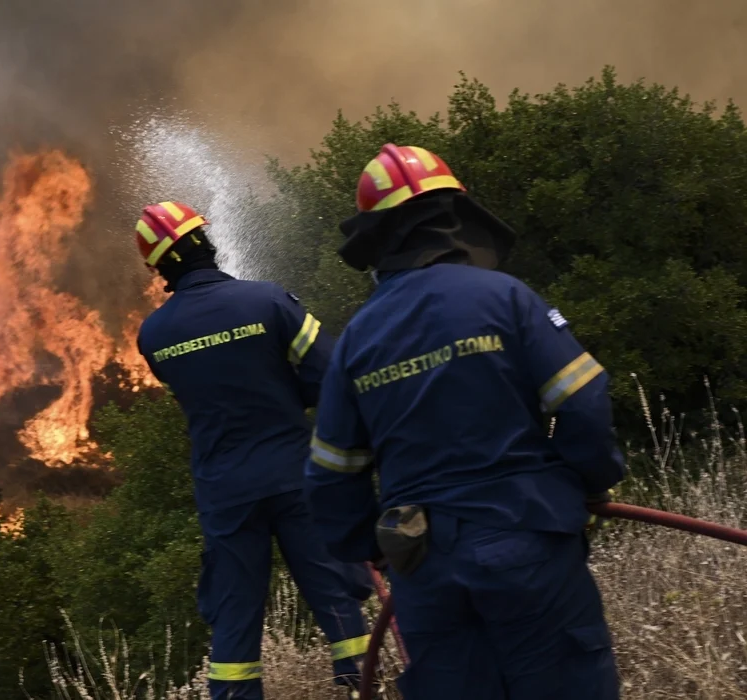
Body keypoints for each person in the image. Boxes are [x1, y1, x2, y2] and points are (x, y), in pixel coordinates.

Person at [303, 143, 626, 699]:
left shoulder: (358, 338)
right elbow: (583, 402)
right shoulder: (506, 297)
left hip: (426, 570)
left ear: (377, 237)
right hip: (529, 541)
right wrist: (587, 487)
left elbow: (331, 473)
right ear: (455, 216)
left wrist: (376, 549)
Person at [133, 201, 374, 699]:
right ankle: (365, 689)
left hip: (225, 492)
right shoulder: (267, 302)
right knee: (337, 601)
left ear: (159, 266)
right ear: (206, 242)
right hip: (294, 475)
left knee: (234, 619)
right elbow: (329, 377)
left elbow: (202, 395)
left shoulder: (154, 335)